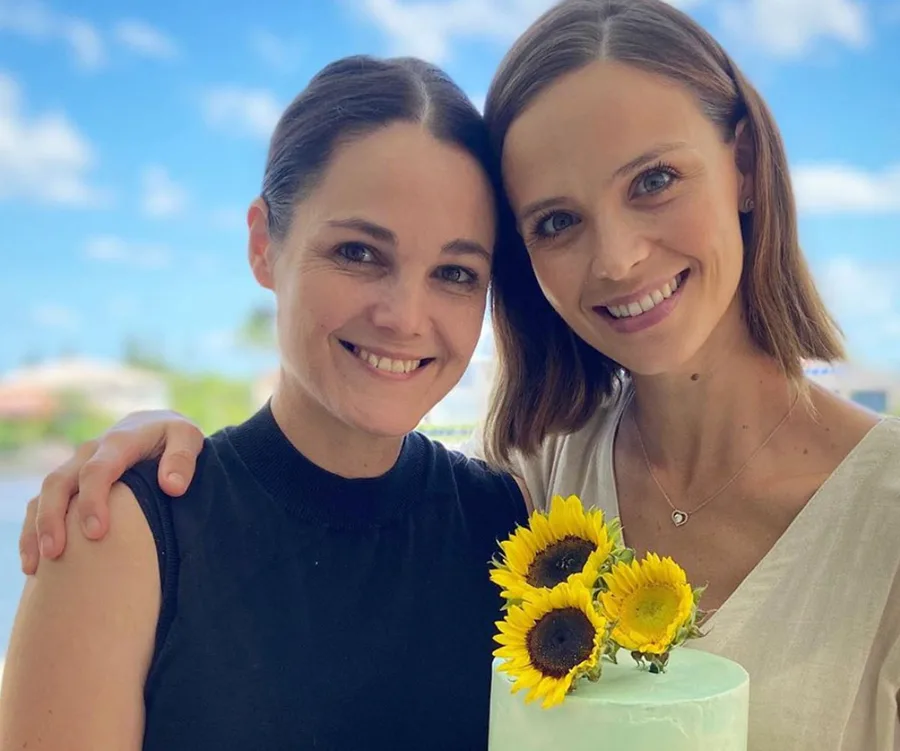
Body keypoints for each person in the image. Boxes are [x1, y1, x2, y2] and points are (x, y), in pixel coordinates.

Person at [14, 1, 900, 750]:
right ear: (263, 243)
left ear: (744, 164)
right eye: (556, 221)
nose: (620, 258)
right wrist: (159, 460)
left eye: (655, 179)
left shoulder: (505, 518)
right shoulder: (537, 495)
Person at [0, 54, 533, 750]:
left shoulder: (507, 526)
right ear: (262, 245)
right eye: (359, 253)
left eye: (456, 273)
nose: (406, 316)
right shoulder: (118, 536)